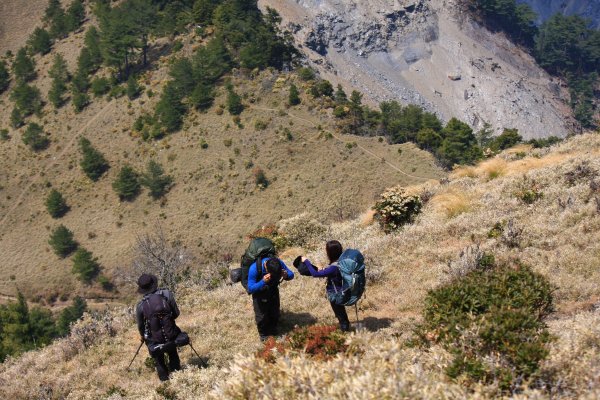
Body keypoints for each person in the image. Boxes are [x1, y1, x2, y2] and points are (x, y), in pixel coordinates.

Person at [135, 273, 181, 381]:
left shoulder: (141, 305)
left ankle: (164, 382)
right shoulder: (166, 294)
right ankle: (178, 378)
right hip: (170, 333)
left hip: (154, 339)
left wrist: (143, 336)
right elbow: (176, 313)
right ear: (153, 284)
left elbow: (141, 326)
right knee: (172, 353)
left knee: (159, 359)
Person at [302, 240, 351, 331]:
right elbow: (335, 273)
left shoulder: (333, 267)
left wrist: (306, 262)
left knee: (339, 312)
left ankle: (345, 330)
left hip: (336, 294)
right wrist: (324, 269)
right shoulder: (342, 262)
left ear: (330, 253)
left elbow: (315, 274)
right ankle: (345, 324)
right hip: (343, 290)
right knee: (340, 311)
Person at [247, 257, 295, 341]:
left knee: (274, 311)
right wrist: (263, 281)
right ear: (267, 270)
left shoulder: (278, 263)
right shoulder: (254, 268)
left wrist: (286, 275)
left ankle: (273, 330)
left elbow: (291, 274)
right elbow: (250, 288)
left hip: (273, 289)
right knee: (261, 315)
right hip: (259, 293)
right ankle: (264, 335)